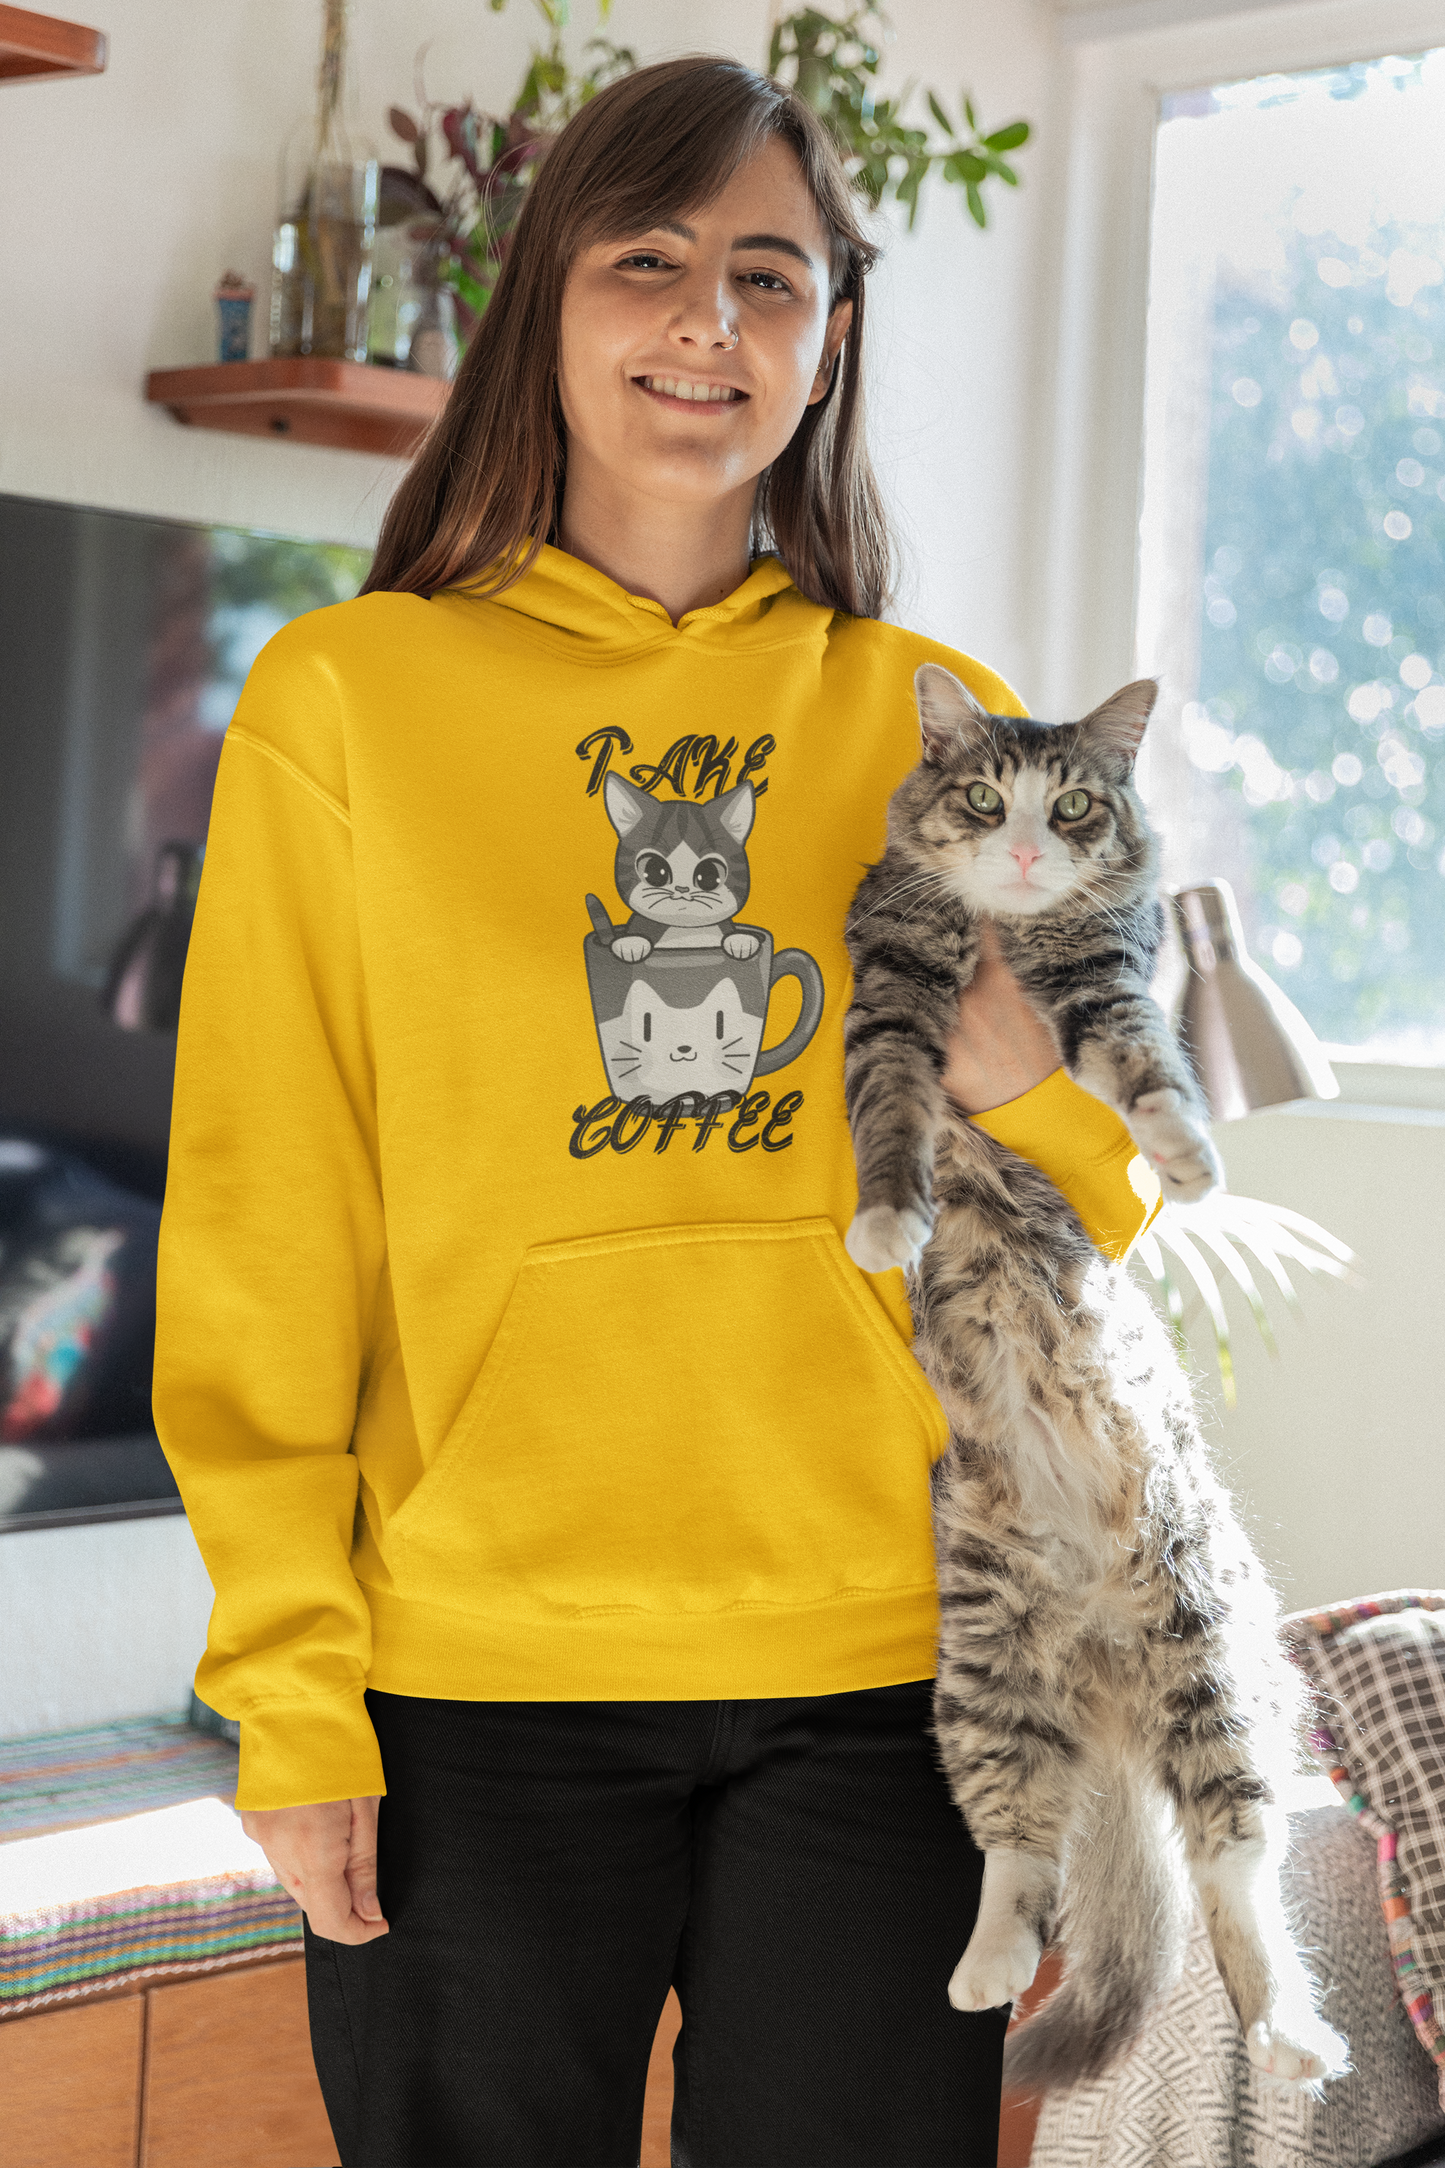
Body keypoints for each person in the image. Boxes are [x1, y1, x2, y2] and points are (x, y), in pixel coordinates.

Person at [154, 55, 1158, 2168]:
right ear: (550, 305)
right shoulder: (347, 701)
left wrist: (1044, 1103)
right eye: (651, 265)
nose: (709, 326)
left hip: (895, 1677)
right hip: (470, 1683)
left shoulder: (930, 722)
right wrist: (289, 1682)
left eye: (767, 279)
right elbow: (265, 1219)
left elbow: (1098, 1221)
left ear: (828, 338)